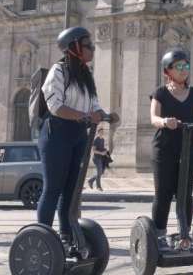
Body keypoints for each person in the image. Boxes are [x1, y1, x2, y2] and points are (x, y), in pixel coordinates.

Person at [38, 26, 112, 241]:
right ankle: (43, 237)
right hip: (57, 134)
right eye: (89, 46)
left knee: (72, 191)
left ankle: (66, 236)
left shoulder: (86, 75)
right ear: (75, 47)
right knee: (53, 188)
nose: (93, 50)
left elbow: (95, 105)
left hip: (79, 135)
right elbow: (56, 107)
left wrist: (104, 114)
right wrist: (87, 116)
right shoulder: (58, 71)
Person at [149, 48, 193, 249]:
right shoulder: (160, 93)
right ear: (167, 71)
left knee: (185, 193)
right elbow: (153, 118)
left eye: (186, 66)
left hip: (189, 148)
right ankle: (159, 235)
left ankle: (185, 235)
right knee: (163, 192)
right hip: (164, 148)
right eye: (178, 67)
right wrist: (164, 122)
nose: (183, 70)